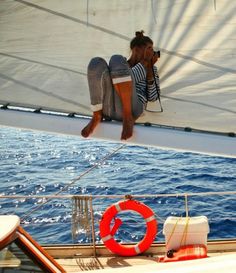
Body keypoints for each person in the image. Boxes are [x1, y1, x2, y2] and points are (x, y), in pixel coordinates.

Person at [81, 30, 160, 140]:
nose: (152, 53)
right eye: (149, 49)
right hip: (109, 109)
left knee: (116, 60)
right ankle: (97, 115)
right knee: (98, 62)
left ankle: (128, 117)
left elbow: (153, 97)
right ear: (136, 50)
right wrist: (145, 62)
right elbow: (128, 77)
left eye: (152, 50)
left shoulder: (152, 69)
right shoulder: (120, 66)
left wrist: (150, 73)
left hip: (133, 109)